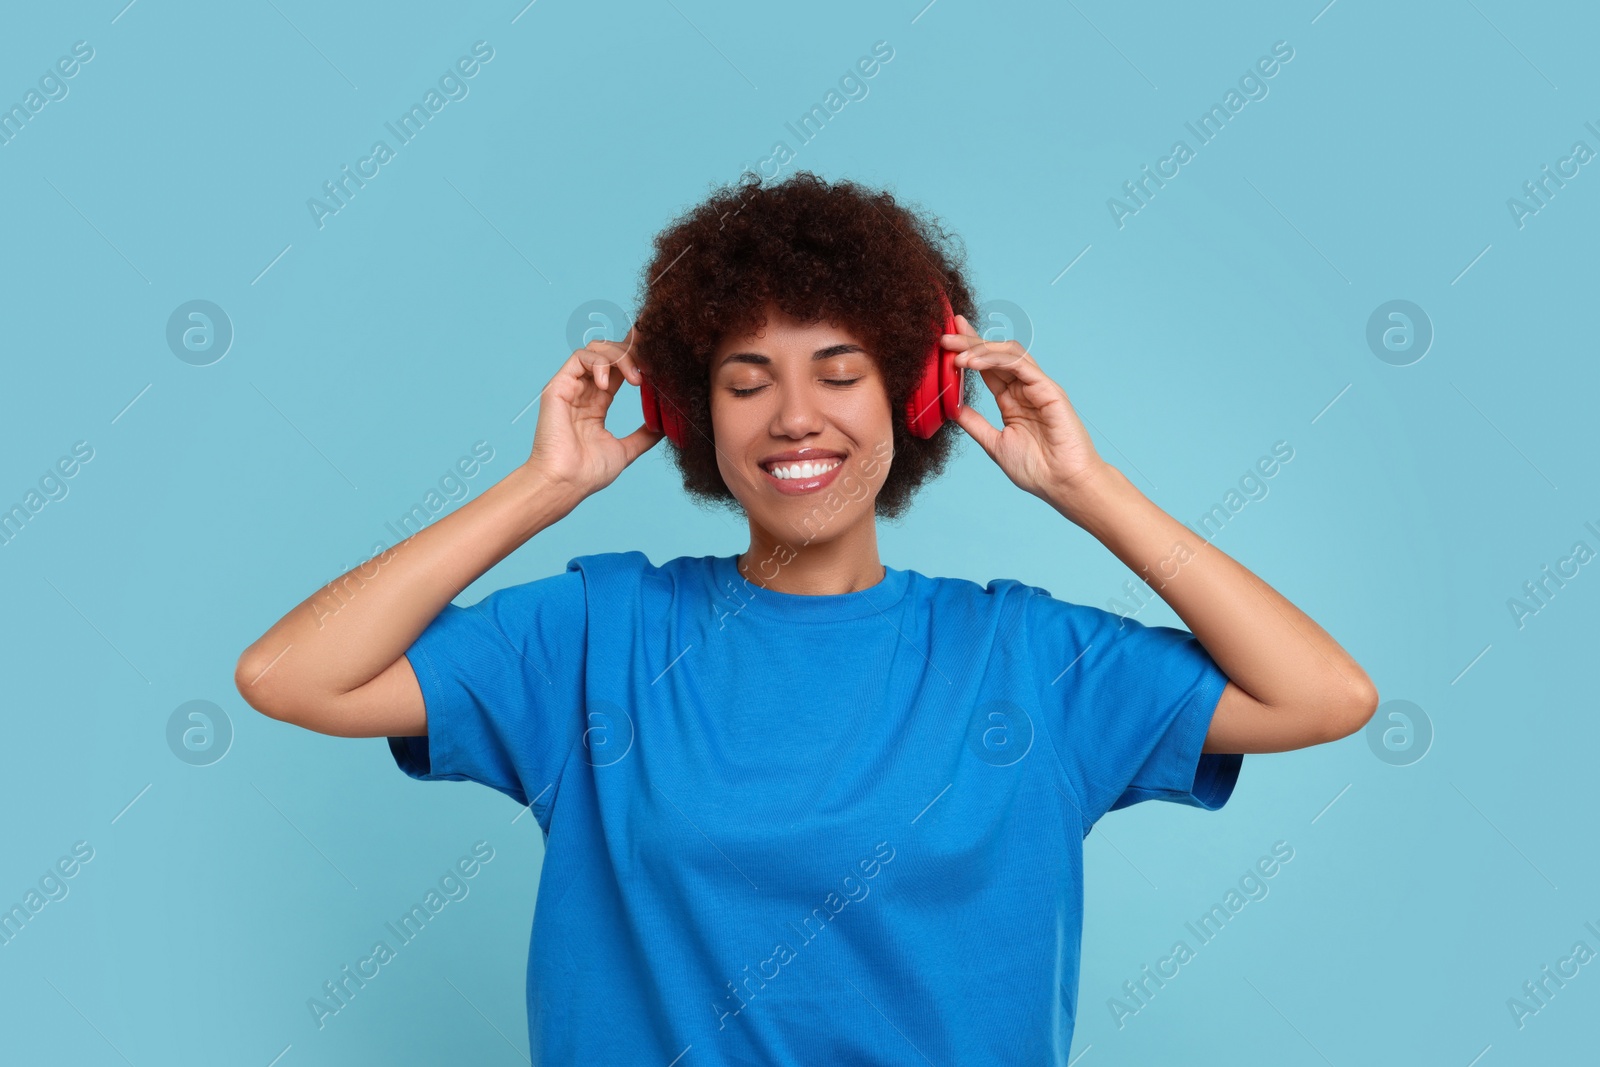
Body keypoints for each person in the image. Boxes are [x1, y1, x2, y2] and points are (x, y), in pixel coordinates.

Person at [235, 170, 1378, 1064]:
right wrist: (544, 486)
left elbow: (1325, 694)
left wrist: (1088, 489)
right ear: (690, 414)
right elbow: (292, 674)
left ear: (915, 398)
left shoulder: (1028, 658)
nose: (793, 417)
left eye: (838, 372)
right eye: (744, 380)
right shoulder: (595, 633)